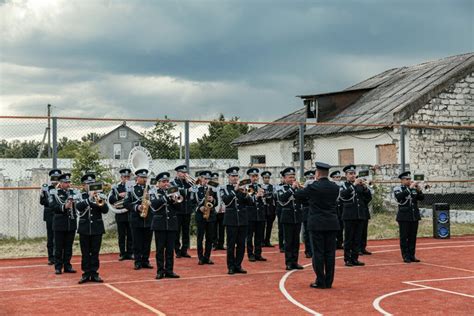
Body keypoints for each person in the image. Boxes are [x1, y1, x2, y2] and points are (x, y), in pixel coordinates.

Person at [295, 162, 340, 289]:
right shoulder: (334, 187)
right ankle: (329, 281)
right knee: (330, 253)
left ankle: (320, 280)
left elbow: (298, 196)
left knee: (318, 253)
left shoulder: (314, 186)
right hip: (332, 223)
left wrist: (296, 187)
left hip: (317, 224)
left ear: (317, 173)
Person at [76, 174, 109, 284]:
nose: (90, 186)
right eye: (88, 184)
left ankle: (94, 273)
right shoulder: (80, 196)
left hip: (97, 228)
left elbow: (105, 210)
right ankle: (86, 273)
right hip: (84, 228)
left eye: (92, 184)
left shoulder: (101, 195)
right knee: (85, 252)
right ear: (83, 185)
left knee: (95, 252)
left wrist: (98, 200)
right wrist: (89, 199)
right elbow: (78, 207)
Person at [221, 167, 251, 275]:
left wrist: (246, 193)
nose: (234, 178)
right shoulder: (224, 188)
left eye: (236, 176)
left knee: (241, 244)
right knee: (230, 245)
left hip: (242, 220)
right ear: (228, 177)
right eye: (232, 176)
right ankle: (231, 266)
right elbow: (226, 201)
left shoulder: (243, 188)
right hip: (231, 220)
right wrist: (235, 190)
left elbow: (249, 202)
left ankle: (238, 265)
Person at [339, 165, 371, 267]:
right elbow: (343, 195)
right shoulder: (344, 185)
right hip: (349, 215)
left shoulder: (360, 186)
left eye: (354, 173)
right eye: (350, 174)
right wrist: (353, 186)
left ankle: (355, 258)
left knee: (357, 238)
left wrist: (365, 188)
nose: (353, 176)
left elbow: (368, 198)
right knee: (348, 238)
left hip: (360, 215)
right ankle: (347, 259)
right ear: (346, 175)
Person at [150, 172, 180, 279]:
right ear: (158, 183)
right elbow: (154, 206)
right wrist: (166, 197)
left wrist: (176, 200)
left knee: (170, 249)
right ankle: (160, 271)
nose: (166, 183)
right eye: (163, 182)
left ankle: (169, 270)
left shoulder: (173, 192)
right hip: (160, 224)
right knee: (160, 249)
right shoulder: (153, 192)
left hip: (171, 223)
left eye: (167, 181)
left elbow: (179, 208)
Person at [123, 169, 153, 270]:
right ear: (137, 178)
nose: (144, 179)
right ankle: (137, 261)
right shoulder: (132, 189)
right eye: (142, 177)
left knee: (147, 241)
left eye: (145, 177)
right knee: (137, 242)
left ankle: (145, 260)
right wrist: (137, 207)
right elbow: (126, 203)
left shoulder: (151, 189)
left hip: (148, 218)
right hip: (136, 219)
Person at [49, 173, 77, 275]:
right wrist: (64, 207)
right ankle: (58, 266)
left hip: (71, 223)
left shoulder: (73, 192)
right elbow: (52, 206)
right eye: (65, 182)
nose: (68, 184)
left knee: (68, 246)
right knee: (59, 246)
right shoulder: (54, 193)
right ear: (60, 183)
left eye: (68, 182)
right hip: (60, 224)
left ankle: (67, 265)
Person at [276, 167, 304, 270]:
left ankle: (295, 261)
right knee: (288, 241)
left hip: (297, 216)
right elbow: (282, 199)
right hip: (287, 216)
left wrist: (301, 189)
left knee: (296, 241)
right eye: (290, 177)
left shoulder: (297, 187)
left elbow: (303, 199)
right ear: (284, 178)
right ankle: (288, 262)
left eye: (293, 177)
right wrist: (292, 189)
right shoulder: (280, 188)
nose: (292, 179)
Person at [394, 171, 424, 263]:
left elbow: (421, 198)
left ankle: (412, 255)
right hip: (404, 216)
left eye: (410, 179)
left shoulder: (413, 189)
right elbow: (399, 197)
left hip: (414, 216)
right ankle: (405, 256)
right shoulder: (398, 188)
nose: (409, 181)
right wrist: (409, 188)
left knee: (412, 237)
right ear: (402, 180)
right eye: (407, 179)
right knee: (404, 237)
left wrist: (418, 189)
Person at [108, 168, 134, 261]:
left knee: (131, 234)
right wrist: (119, 195)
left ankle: (130, 253)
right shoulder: (116, 187)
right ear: (121, 177)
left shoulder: (133, 186)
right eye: (124, 177)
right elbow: (110, 200)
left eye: (128, 176)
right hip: (120, 214)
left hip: (130, 213)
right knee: (121, 235)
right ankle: (122, 253)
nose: (126, 178)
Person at [193, 170, 218, 265]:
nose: (206, 180)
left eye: (208, 179)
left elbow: (216, 203)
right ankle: (200, 257)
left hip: (211, 215)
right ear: (200, 179)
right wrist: (199, 208)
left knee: (210, 237)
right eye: (204, 178)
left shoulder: (213, 189)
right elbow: (192, 202)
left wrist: (213, 200)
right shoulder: (196, 189)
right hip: (200, 216)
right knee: (200, 237)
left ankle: (207, 257)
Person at [171, 165, 193, 258]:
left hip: (187, 210)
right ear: (177, 173)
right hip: (178, 210)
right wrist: (188, 190)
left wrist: (192, 184)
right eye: (182, 172)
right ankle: (177, 250)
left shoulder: (188, 183)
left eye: (185, 173)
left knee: (186, 231)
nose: (184, 174)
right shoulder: (173, 182)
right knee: (177, 231)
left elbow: (195, 189)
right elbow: (177, 191)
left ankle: (184, 250)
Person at [40, 169, 62, 265]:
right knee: (51, 236)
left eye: (58, 177)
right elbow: (42, 202)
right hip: (50, 214)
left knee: (60, 237)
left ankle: (59, 256)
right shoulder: (47, 188)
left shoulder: (62, 188)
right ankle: (51, 257)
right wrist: (42, 195)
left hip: (60, 214)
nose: (56, 179)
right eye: (54, 177)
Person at [246, 168, 267, 262]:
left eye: (256, 176)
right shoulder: (247, 187)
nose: (255, 178)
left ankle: (258, 254)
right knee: (250, 236)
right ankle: (250, 254)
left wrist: (264, 195)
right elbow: (248, 200)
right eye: (253, 176)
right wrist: (257, 196)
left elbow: (266, 200)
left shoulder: (260, 186)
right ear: (249, 177)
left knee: (259, 235)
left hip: (260, 215)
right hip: (251, 215)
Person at [358, 171, 373, 256]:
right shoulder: (356, 187)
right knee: (358, 231)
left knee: (364, 231)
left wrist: (366, 187)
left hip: (364, 211)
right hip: (358, 212)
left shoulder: (364, 188)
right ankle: (358, 248)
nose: (362, 182)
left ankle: (363, 247)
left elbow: (369, 198)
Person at [302, 170, 315, 258]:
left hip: (315, 212)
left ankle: (314, 249)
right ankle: (308, 250)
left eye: (312, 178)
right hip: (307, 212)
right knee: (307, 232)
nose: (311, 180)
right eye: (309, 178)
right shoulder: (304, 189)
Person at [261, 171, 276, 248]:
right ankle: (261, 241)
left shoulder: (272, 187)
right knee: (262, 226)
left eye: (268, 178)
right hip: (263, 208)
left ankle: (267, 240)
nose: (267, 179)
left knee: (269, 225)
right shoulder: (260, 186)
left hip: (270, 209)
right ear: (262, 178)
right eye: (265, 178)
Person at [330, 170, 344, 250]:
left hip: (341, 209)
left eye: (339, 177)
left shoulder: (342, 186)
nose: (338, 179)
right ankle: (333, 243)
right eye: (336, 177)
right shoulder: (331, 186)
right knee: (334, 227)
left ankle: (340, 243)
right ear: (332, 178)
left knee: (341, 227)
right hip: (334, 209)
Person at [212, 172, 226, 251]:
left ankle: (221, 244)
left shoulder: (222, 187)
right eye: (214, 179)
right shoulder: (211, 188)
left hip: (222, 210)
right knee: (214, 229)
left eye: (216, 179)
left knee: (222, 228)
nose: (215, 181)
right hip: (214, 210)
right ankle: (215, 244)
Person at [275, 172, 285, 253]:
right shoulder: (278, 187)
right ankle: (281, 245)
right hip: (280, 209)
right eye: (282, 178)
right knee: (281, 228)